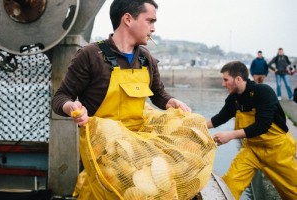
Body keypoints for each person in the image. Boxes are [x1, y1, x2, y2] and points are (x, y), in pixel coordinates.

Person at [52, 0, 192, 199]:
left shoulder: (146, 59)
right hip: (102, 156)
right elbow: (60, 98)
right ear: (127, 19)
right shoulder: (91, 55)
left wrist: (171, 102)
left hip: (137, 153)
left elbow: (160, 96)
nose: (153, 28)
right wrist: (71, 106)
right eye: (150, 20)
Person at [206, 61, 297, 200]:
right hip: (252, 150)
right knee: (229, 184)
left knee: (292, 191)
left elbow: (262, 125)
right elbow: (219, 118)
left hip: (278, 150)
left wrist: (230, 135)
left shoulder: (263, 92)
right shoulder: (233, 99)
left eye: (225, 79)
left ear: (238, 79)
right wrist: (196, 126)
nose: (223, 84)